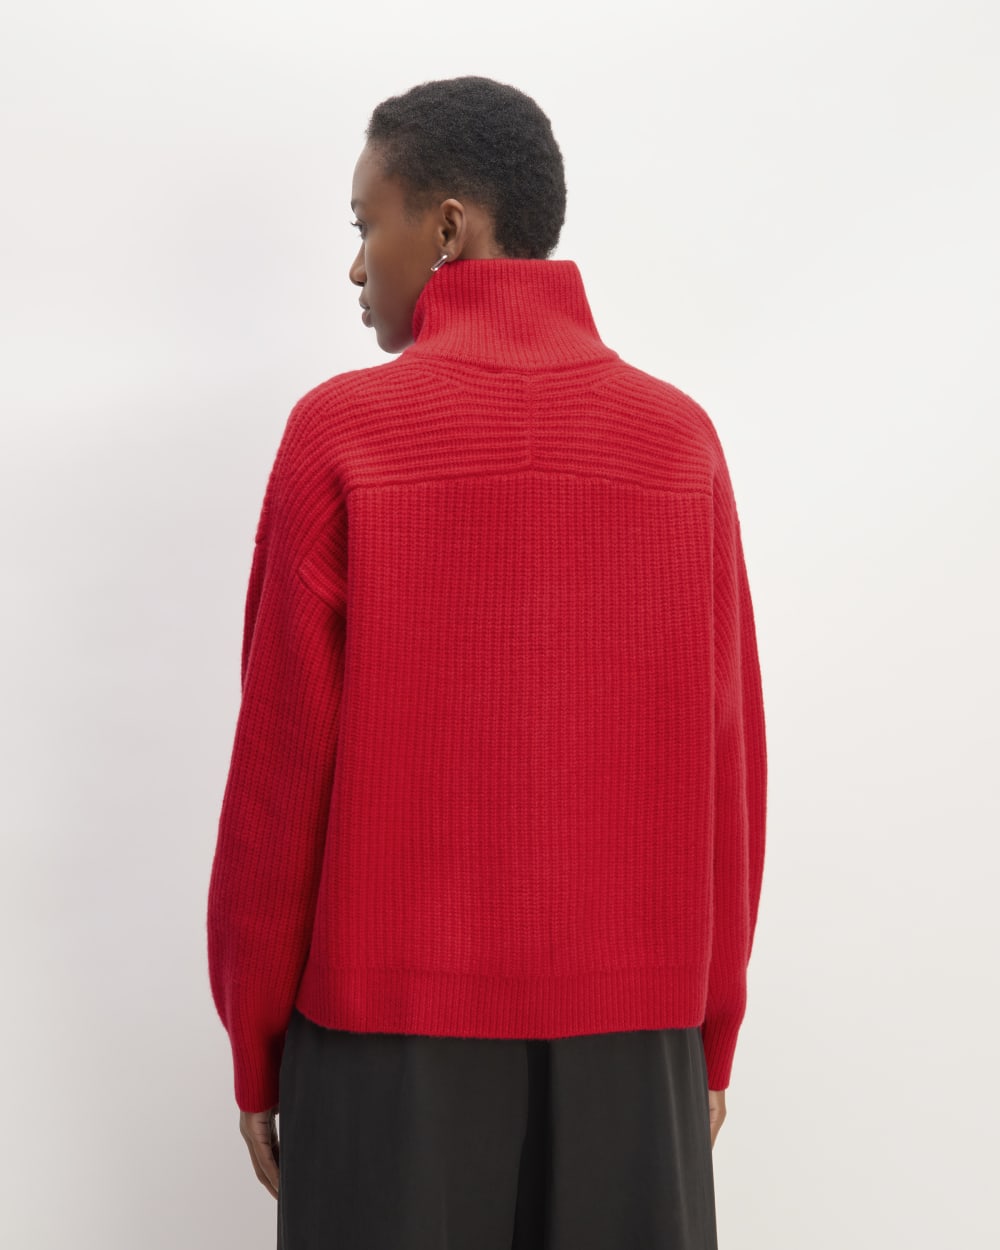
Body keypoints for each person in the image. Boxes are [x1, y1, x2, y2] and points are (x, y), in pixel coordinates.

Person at [206, 75, 767, 1249]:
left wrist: (256, 1045)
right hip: (636, 1049)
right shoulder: (678, 443)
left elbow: (278, 780)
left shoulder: (341, 434)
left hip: (383, 1053)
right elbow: (731, 769)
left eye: (368, 224)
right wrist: (709, 1036)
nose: (357, 266)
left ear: (448, 226)